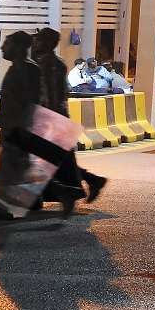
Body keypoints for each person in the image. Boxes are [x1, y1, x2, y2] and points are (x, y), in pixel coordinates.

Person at [0, 31, 44, 219]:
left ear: (19, 47)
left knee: (8, 166)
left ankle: (0, 206)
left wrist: (21, 128)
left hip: (17, 127)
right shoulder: (19, 67)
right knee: (15, 165)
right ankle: (29, 199)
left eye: (7, 44)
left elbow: (31, 101)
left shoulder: (28, 69)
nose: (3, 48)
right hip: (11, 126)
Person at [32, 28, 104, 209]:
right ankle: (91, 181)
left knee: (51, 159)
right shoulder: (55, 63)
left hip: (52, 118)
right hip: (57, 116)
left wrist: (47, 121)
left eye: (39, 40)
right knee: (62, 160)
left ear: (47, 43)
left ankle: (68, 190)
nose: (35, 43)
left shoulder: (47, 64)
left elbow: (50, 96)